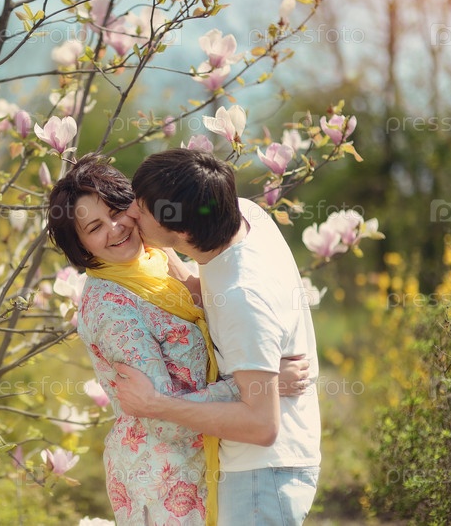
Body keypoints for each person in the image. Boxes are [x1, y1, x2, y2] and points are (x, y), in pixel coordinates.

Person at [46, 153, 309, 526]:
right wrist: (258, 388)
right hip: (162, 480)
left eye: (117, 211)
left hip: (205, 464)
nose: (116, 228)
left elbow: (209, 300)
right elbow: (160, 416)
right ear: (81, 246)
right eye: (95, 227)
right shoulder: (111, 309)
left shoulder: (152, 259)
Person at [114, 148, 321, 526]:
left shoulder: (245, 298)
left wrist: (155, 404)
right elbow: (210, 293)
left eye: (141, 209)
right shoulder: (242, 215)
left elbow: (261, 425)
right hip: (263, 466)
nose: (130, 214)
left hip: (261, 476)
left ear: (181, 231)